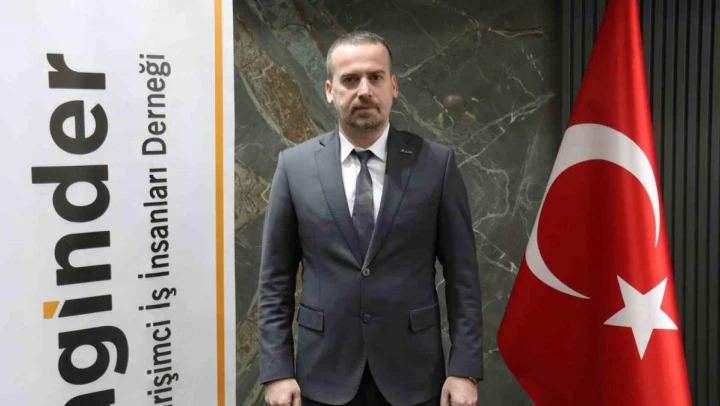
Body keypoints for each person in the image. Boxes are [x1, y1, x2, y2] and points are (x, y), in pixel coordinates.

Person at [257, 31, 484, 406]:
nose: (364, 90)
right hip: (322, 376)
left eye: (375, 77)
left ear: (393, 86)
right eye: (350, 79)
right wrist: (277, 371)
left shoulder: (435, 164)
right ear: (330, 91)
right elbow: (274, 282)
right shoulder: (294, 167)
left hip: (413, 375)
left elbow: (463, 278)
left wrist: (465, 370)